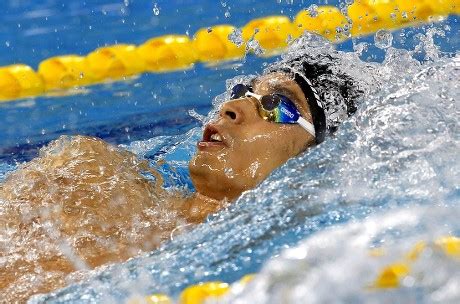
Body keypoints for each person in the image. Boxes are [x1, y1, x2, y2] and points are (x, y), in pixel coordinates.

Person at [0, 50, 362, 301]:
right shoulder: (92, 170)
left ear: (318, 158)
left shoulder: (273, 271)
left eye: (276, 105)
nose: (232, 107)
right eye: (242, 93)